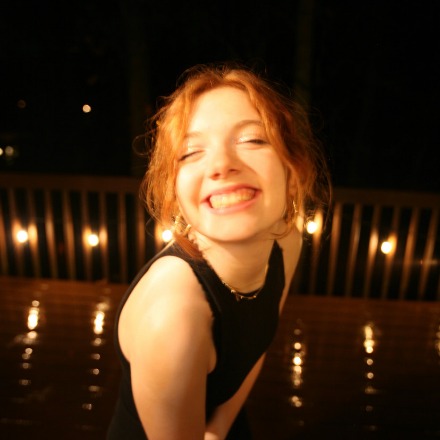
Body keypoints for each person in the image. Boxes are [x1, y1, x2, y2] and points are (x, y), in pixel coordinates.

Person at [107, 63, 330, 439]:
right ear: (175, 193)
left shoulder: (286, 242)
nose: (222, 165)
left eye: (252, 140)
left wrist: (221, 425)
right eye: (190, 152)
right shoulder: (173, 316)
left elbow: (254, 344)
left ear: (292, 173)